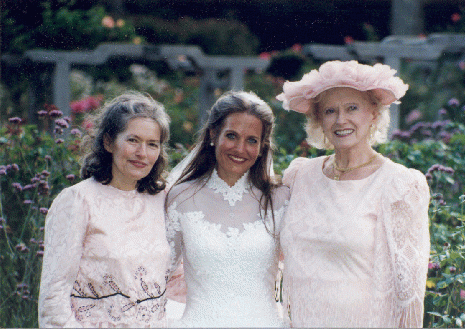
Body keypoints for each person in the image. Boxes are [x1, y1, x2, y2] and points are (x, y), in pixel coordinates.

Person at [276, 60, 430, 328]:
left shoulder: (399, 184)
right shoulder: (299, 176)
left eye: (352, 108)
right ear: (319, 120)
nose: (340, 120)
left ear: (373, 113)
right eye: (330, 111)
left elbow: (410, 290)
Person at [38, 92, 174, 328]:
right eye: (133, 140)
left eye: (152, 144)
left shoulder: (163, 200)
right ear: (108, 142)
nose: (142, 153)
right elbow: (53, 298)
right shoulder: (77, 201)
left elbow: (176, 282)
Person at [165, 90, 289, 327]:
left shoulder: (280, 199)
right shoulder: (181, 197)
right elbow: (159, 273)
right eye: (232, 136)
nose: (240, 149)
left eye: (252, 140)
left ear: (262, 146)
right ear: (213, 134)